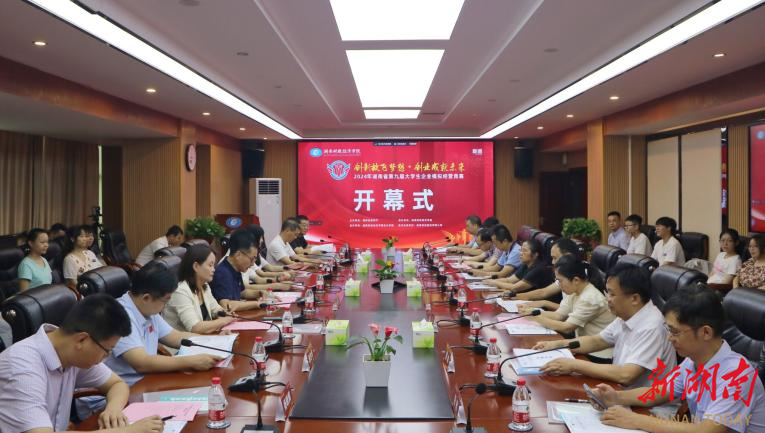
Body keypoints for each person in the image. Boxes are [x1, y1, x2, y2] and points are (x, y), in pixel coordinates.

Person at [596, 285, 765, 433]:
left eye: (675, 331)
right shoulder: (693, 360)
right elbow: (659, 392)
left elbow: (706, 430)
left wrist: (636, 420)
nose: (669, 338)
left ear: (706, 332)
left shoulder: (738, 375)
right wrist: (616, 397)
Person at [0, 294, 164, 433]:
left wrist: (112, 410)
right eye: (107, 350)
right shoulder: (21, 368)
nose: (106, 357)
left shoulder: (70, 353)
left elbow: (117, 384)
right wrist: (127, 430)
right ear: (82, 340)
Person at [79, 264, 223, 417]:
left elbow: (175, 336)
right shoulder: (120, 315)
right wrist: (191, 361)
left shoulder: (146, 308)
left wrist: (215, 340)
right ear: (146, 298)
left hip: (144, 385)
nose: (165, 307)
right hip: (109, 401)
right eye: (165, 301)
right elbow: (141, 362)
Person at [532, 265, 676, 388]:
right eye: (607, 293)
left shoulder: (652, 326)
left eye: (612, 294)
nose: (608, 299)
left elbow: (627, 375)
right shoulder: (627, 315)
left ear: (634, 298)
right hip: (619, 393)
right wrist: (557, 345)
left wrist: (574, 365)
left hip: (647, 406)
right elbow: (597, 341)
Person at [520, 255, 614, 361]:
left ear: (576, 280)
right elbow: (558, 315)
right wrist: (531, 312)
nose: (559, 285)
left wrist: (536, 318)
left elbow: (567, 327)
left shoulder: (590, 298)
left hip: (597, 354)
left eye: (560, 281)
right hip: (581, 347)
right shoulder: (574, 291)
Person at [164, 244, 236, 334]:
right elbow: (195, 327)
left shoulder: (204, 285)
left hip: (202, 338)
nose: (214, 269)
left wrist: (225, 313)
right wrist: (224, 321)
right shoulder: (180, 291)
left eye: (214, 265)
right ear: (196, 266)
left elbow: (215, 309)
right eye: (210, 265)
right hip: (182, 342)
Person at [512, 238, 582, 307]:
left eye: (555, 258)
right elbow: (544, 292)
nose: (552, 262)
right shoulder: (566, 272)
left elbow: (570, 310)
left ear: (568, 256)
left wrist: (545, 303)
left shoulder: (580, 274)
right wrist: (516, 296)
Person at [210, 229, 266, 311]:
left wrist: (259, 293)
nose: (252, 264)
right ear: (238, 255)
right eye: (251, 259)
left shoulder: (235, 268)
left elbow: (241, 292)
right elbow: (226, 305)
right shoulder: (222, 273)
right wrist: (256, 304)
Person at [484, 238, 554, 294]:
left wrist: (494, 282)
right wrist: (489, 281)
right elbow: (509, 280)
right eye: (521, 250)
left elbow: (515, 287)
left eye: (524, 251)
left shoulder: (539, 269)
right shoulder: (525, 264)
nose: (521, 253)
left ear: (535, 255)